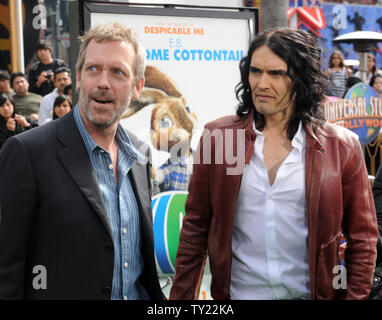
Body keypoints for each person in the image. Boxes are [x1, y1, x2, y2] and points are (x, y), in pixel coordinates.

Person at [169, 28, 378, 300]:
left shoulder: (342, 147)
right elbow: (194, 233)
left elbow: (363, 241)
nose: (261, 83)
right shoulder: (219, 138)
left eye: (276, 74)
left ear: (301, 79)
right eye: (256, 72)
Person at [0, 22, 164, 300]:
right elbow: (7, 271)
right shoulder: (27, 152)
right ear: (78, 77)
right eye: (93, 69)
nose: (103, 82)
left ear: (137, 87)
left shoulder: (139, 155)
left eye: (117, 72)